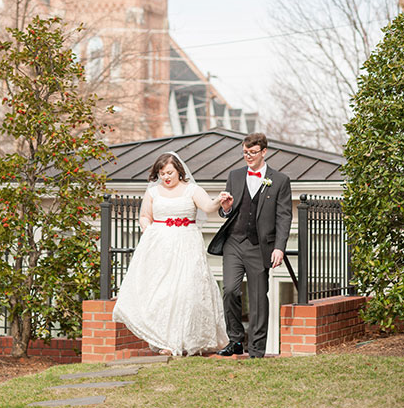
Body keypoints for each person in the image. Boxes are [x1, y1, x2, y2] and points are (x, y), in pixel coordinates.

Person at [112, 151, 229, 356]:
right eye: (161, 173)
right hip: (161, 246)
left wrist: (219, 199)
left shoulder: (192, 190)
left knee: (186, 291)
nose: (165, 177)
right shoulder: (153, 192)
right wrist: (148, 230)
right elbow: (145, 216)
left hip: (187, 244)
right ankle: (167, 341)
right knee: (163, 292)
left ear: (178, 171)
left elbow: (208, 207)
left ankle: (185, 339)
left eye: (169, 172)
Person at [208, 133, 292, 358]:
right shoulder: (234, 176)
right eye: (245, 152)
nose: (248, 156)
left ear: (264, 152)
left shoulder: (280, 180)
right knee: (230, 291)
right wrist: (225, 208)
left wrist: (279, 247)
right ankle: (235, 340)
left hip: (259, 246)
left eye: (253, 152)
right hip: (234, 242)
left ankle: (256, 350)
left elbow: (284, 217)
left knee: (257, 299)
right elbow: (226, 211)